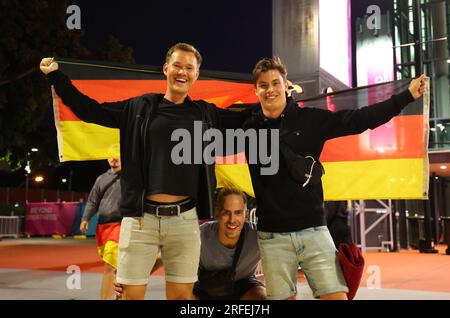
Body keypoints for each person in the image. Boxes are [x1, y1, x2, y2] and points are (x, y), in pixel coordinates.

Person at [39, 43, 252, 300]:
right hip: (140, 221)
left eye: (189, 68)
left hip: (184, 221)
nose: (182, 72)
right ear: (166, 68)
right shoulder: (138, 108)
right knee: (129, 296)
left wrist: (281, 97)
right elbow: (90, 110)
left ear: (197, 74)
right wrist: (56, 77)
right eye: (177, 65)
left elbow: (248, 119)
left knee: (183, 299)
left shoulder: (205, 114)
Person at [242, 57, 427, 300]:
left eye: (275, 83)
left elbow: (361, 119)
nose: (270, 89)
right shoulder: (246, 127)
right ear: (256, 90)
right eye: (263, 85)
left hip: (314, 231)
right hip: (272, 236)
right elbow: (206, 129)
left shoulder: (311, 120)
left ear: (286, 86)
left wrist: (406, 97)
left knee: (337, 297)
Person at [114, 187, 266, 300]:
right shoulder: (200, 235)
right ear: (217, 212)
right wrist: (126, 279)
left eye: (238, 212)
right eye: (226, 212)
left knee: (263, 298)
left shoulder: (258, 237)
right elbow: (161, 259)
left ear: (246, 215)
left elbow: (282, 253)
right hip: (204, 287)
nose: (232, 220)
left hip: (243, 286)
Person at [80, 157, 122, 300]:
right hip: (103, 226)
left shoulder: (131, 177)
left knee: (109, 266)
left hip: (121, 225)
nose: (114, 159)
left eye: (117, 154)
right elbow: (93, 201)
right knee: (116, 267)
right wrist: (85, 219)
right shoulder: (101, 179)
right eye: (110, 155)